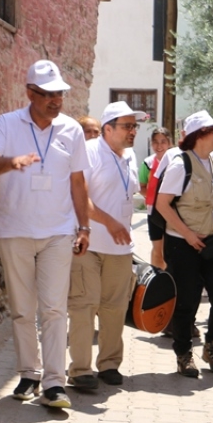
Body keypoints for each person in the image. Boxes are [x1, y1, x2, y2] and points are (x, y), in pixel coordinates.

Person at [0, 60, 92, 409]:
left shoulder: (71, 130)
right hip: (15, 231)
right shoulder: (7, 124)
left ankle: (55, 383)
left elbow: (78, 182)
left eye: (60, 94)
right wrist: (11, 162)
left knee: (54, 308)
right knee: (23, 310)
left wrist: (84, 227)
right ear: (30, 93)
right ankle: (29, 373)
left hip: (58, 232)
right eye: (49, 95)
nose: (56, 101)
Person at [67, 101, 145, 390]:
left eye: (134, 126)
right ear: (108, 129)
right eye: (127, 126)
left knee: (114, 308)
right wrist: (109, 222)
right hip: (88, 245)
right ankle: (79, 370)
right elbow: (79, 197)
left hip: (120, 249)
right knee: (84, 306)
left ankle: (110, 365)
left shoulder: (131, 156)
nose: (132, 132)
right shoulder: (88, 152)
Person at [154, 111, 213, 377]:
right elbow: (161, 204)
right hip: (183, 245)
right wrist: (187, 234)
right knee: (186, 302)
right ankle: (183, 354)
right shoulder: (180, 164)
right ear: (200, 134)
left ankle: (212, 346)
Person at [143, 128, 174, 270]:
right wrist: (152, 197)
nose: (159, 146)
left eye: (163, 142)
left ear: (170, 143)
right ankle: (156, 281)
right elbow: (141, 185)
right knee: (157, 250)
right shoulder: (147, 163)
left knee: (169, 251)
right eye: (155, 142)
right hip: (153, 212)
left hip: (171, 213)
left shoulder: (175, 162)